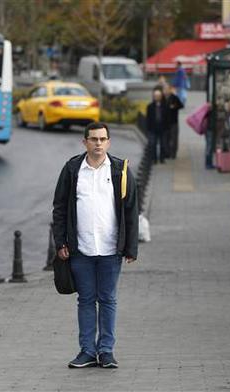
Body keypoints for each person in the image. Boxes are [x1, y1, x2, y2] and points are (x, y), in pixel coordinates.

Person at [52, 122, 138, 369]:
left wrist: (131, 247)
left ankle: (106, 351)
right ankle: (87, 351)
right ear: (85, 142)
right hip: (82, 249)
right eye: (93, 139)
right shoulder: (72, 169)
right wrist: (61, 242)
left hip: (112, 249)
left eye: (102, 139)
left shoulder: (120, 170)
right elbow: (59, 208)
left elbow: (131, 210)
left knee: (108, 299)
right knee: (86, 300)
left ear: (109, 142)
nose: (98, 143)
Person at [146, 87, 168, 164]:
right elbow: (148, 119)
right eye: (155, 96)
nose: (157, 97)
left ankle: (162, 158)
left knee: (163, 144)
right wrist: (148, 129)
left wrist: (166, 128)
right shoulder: (150, 106)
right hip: (153, 129)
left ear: (161, 97)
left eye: (158, 96)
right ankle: (154, 159)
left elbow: (167, 118)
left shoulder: (165, 106)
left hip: (162, 128)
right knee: (153, 144)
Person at [165, 85, 184, 159]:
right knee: (166, 138)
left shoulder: (174, 97)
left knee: (174, 138)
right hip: (166, 122)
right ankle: (167, 153)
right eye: (165, 90)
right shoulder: (163, 98)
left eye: (167, 89)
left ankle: (173, 153)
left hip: (173, 122)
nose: (166, 91)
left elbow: (181, 106)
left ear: (170, 90)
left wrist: (175, 106)